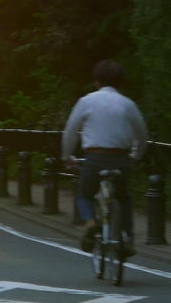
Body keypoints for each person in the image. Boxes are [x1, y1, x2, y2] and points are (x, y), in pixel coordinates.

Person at [62, 59, 148, 255]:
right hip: (121, 158)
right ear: (121, 83)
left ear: (96, 82)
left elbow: (70, 131)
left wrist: (67, 156)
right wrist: (135, 156)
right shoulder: (128, 104)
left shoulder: (87, 101)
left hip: (94, 158)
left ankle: (91, 223)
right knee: (124, 198)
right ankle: (128, 240)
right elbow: (142, 135)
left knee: (84, 194)